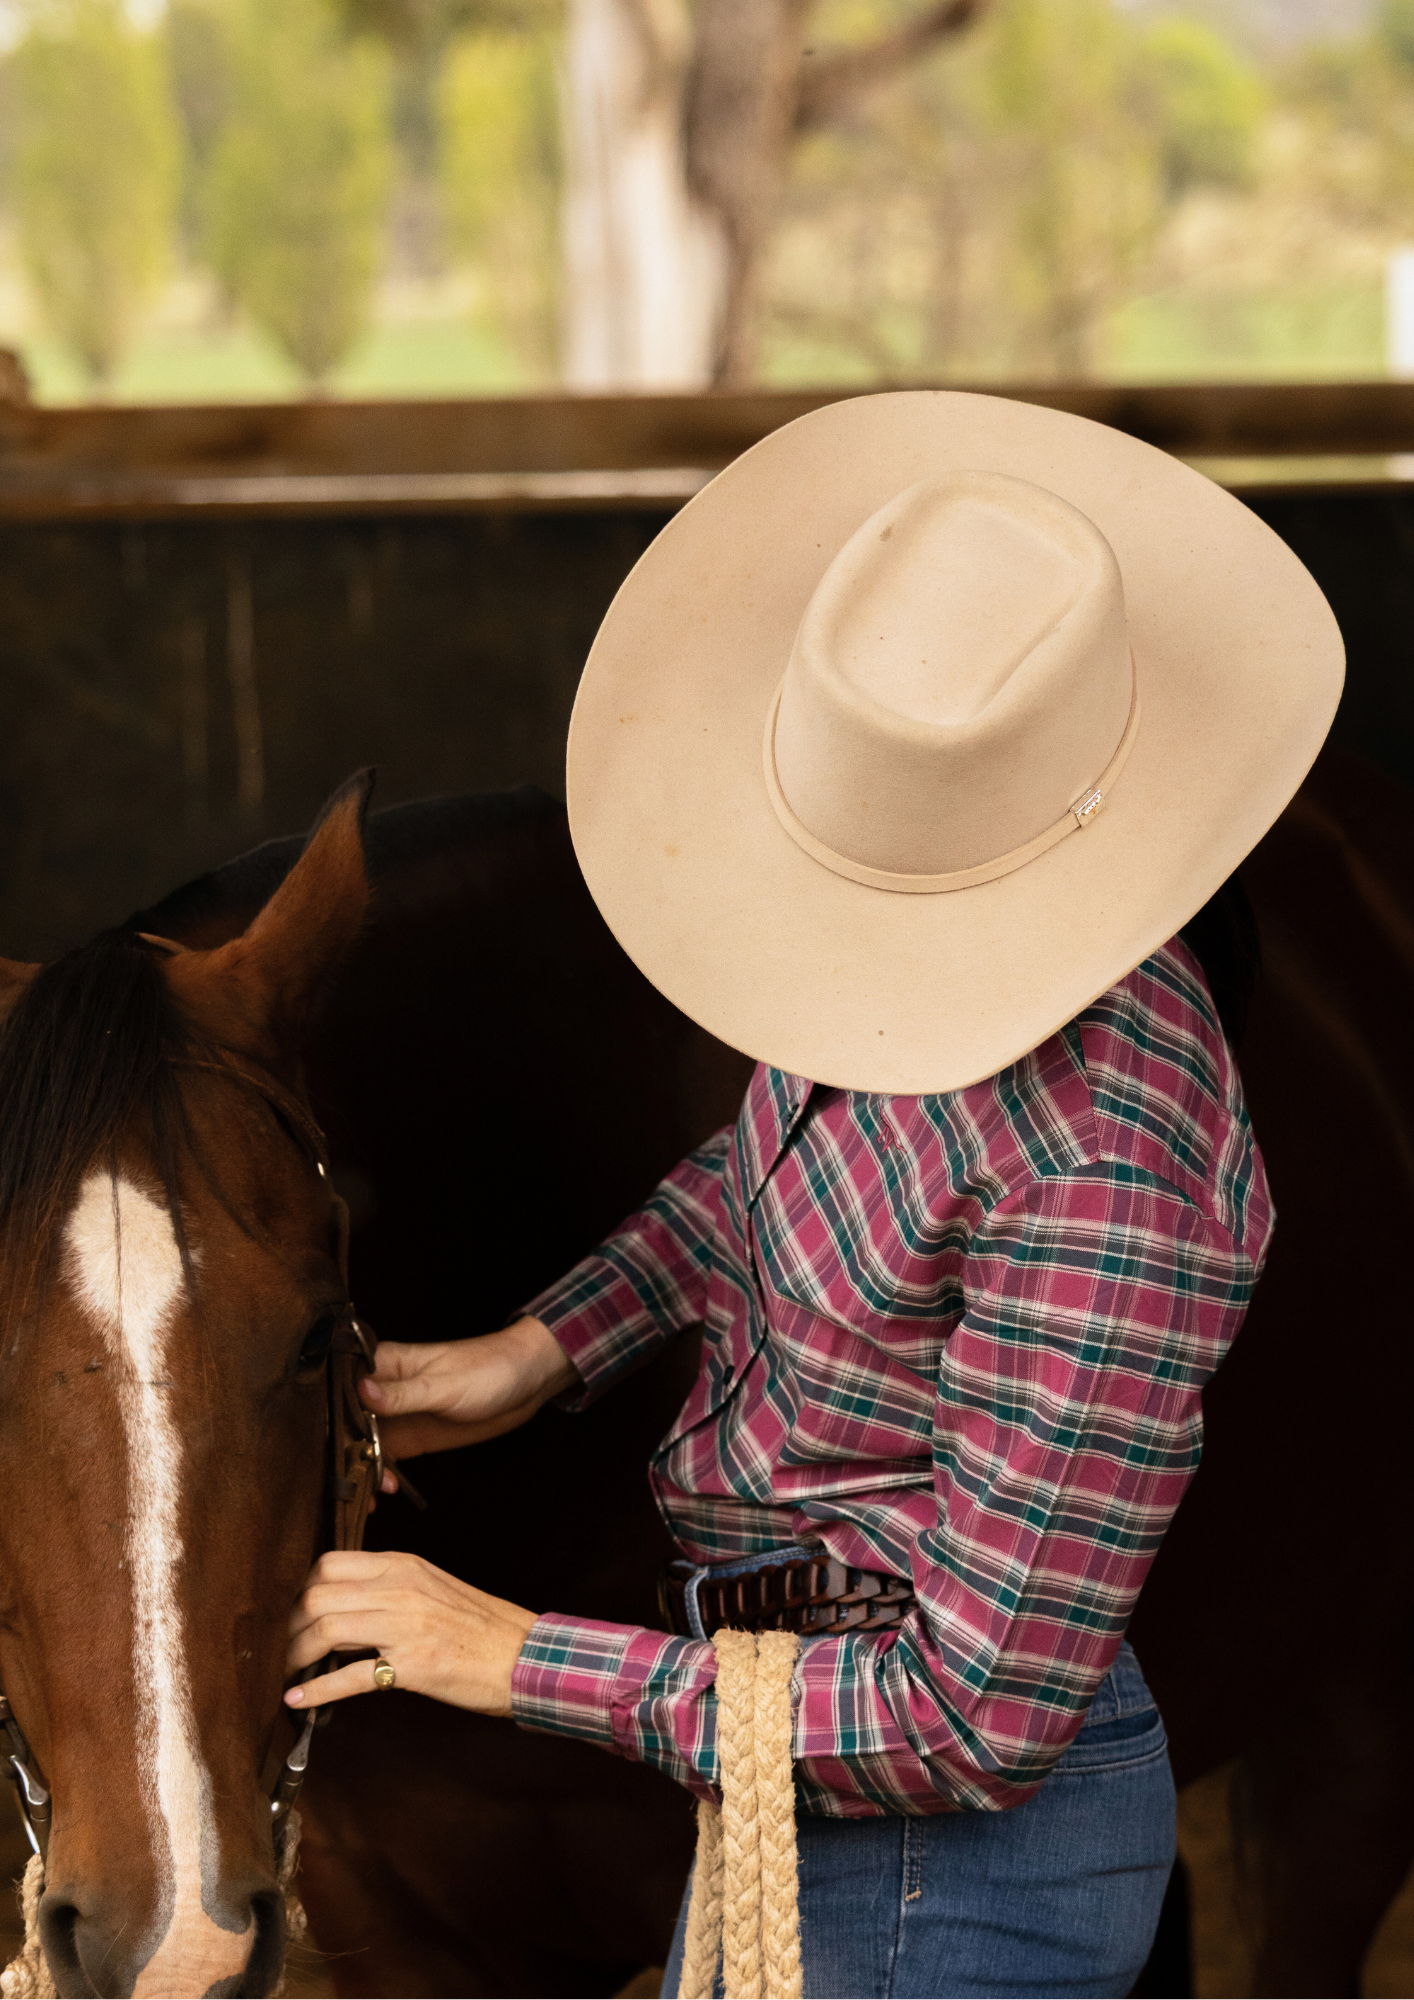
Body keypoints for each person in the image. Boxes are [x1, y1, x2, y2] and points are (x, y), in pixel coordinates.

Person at [284, 393, 1343, 1998]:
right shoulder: (915, 1003)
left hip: (947, 1868)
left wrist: (497, 1653)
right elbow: (767, 1181)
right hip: (790, 1762)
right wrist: (539, 1352)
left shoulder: (1104, 1170)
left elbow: (970, 1722)